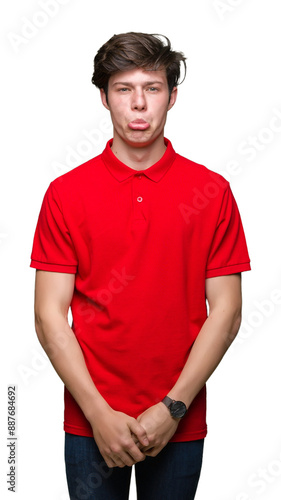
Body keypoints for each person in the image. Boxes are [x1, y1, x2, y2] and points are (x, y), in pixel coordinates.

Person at [30, 32, 251, 500]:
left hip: (179, 415)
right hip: (91, 422)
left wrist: (172, 407)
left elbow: (227, 311)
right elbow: (49, 315)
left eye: (151, 88)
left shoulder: (211, 191)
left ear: (172, 96)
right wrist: (98, 413)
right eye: (123, 89)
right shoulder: (65, 194)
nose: (138, 104)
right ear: (105, 97)